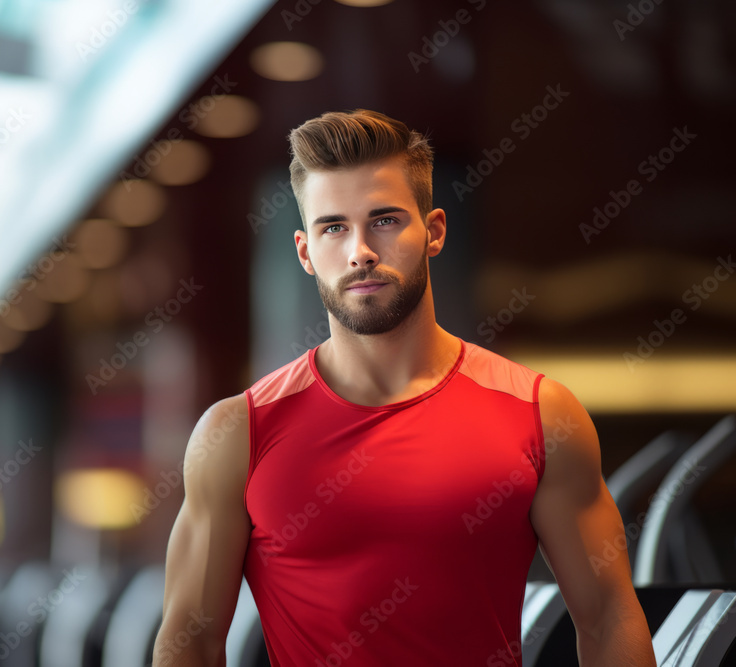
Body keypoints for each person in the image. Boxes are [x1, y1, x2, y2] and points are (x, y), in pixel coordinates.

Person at [153, 109, 655, 666]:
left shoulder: (539, 413)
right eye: (334, 227)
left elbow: (609, 616)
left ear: (434, 231)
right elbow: (191, 642)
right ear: (304, 251)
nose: (360, 250)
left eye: (385, 220)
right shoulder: (237, 434)